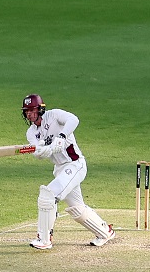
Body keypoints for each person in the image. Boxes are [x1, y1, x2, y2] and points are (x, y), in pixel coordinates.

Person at [15, 94, 118, 251]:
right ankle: (105, 232)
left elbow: (74, 119)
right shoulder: (31, 133)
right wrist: (43, 149)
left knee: (48, 195)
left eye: (32, 110)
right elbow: (38, 154)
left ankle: (44, 239)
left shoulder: (54, 115)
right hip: (60, 170)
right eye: (26, 111)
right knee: (77, 208)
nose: (29, 114)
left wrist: (62, 137)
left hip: (75, 165)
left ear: (40, 109)